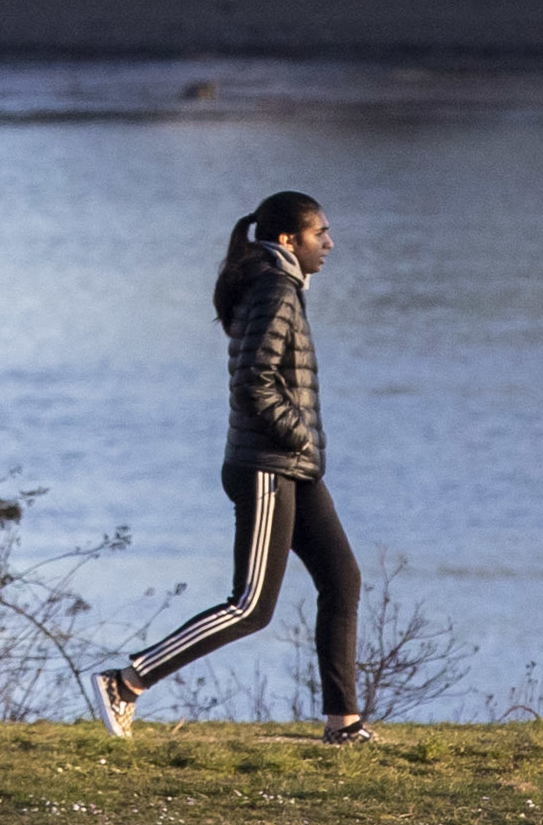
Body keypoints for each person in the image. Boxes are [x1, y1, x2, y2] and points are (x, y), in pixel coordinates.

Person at [93, 189, 365, 744]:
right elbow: (253, 384)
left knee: (342, 580)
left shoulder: (276, 284)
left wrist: (304, 448)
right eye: (321, 234)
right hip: (267, 465)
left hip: (292, 465)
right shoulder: (275, 287)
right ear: (289, 239)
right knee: (250, 607)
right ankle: (126, 682)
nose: (331, 244)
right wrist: (301, 433)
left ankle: (344, 723)